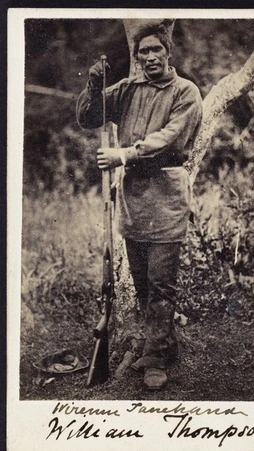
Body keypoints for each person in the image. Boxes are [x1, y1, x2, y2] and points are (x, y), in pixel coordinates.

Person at [77, 23, 202, 390]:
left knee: (162, 284)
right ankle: (163, 345)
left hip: (166, 195)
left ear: (168, 53)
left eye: (155, 50)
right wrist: (94, 85)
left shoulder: (186, 93)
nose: (149, 57)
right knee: (145, 285)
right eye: (142, 52)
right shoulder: (129, 90)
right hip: (134, 197)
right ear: (137, 58)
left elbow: (169, 139)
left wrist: (124, 154)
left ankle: (156, 359)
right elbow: (89, 118)